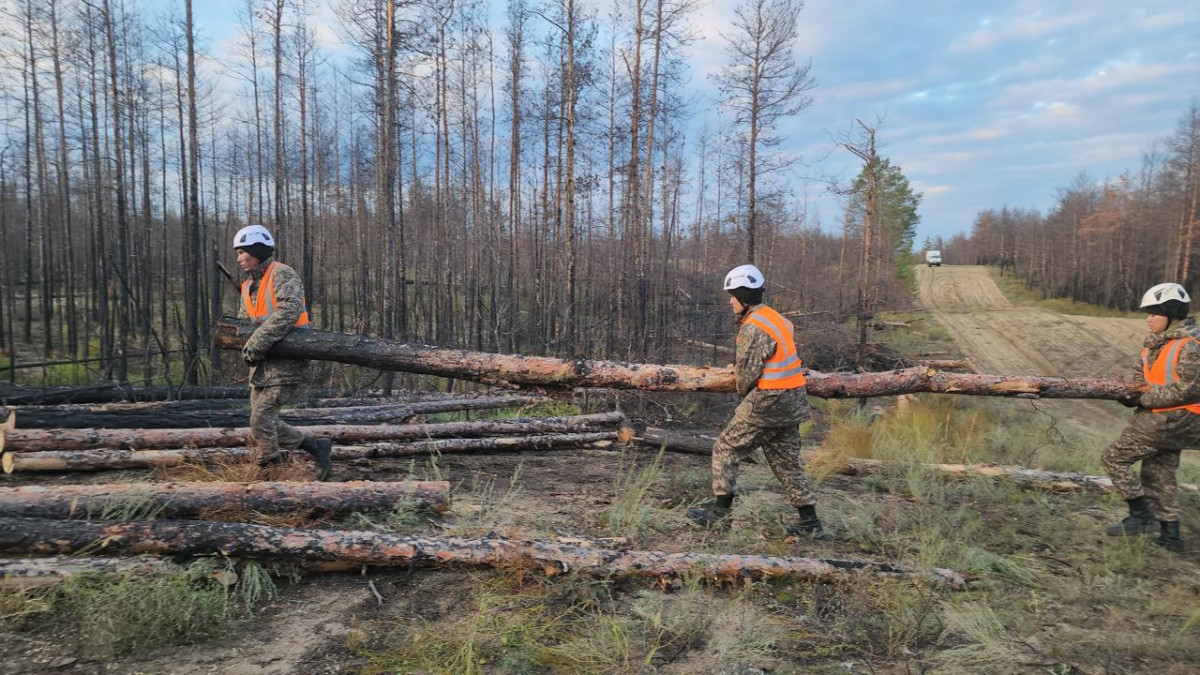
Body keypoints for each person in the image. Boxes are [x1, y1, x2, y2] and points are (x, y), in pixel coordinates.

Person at [687, 264, 823, 535]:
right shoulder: (776, 318)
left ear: (743, 296)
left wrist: (737, 381)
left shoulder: (753, 327)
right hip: (794, 400)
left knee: (725, 448)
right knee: (786, 461)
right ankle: (811, 523)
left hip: (769, 400)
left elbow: (746, 377)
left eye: (732, 296)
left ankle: (719, 516)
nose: (730, 301)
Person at [1102, 282, 1197, 552]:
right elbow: (1138, 379)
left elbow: (1187, 389)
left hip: (1172, 419)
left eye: (1153, 314)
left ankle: (1141, 516)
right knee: (1159, 473)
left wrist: (1143, 398)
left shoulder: (1190, 345)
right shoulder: (1153, 345)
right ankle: (1171, 537)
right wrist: (1127, 394)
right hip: (1167, 419)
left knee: (1114, 458)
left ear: (1170, 314)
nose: (1148, 320)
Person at [234, 224, 333, 480]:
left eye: (242, 252)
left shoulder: (283, 274)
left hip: (288, 362)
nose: (239, 258)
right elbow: (245, 323)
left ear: (256, 250)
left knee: (260, 419)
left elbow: (289, 311)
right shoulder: (247, 286)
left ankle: (271, 473)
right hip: (261, 366)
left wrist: (257, 342)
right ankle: (316, 447)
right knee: (263, 422)